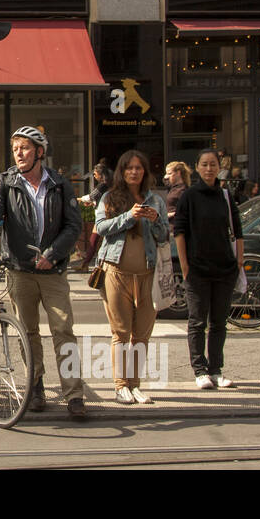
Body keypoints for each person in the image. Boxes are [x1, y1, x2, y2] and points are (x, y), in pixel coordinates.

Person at [0, 126, 87, 419]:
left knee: (63, 331)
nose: (19, 153)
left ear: (40, 152)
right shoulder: (6, 182)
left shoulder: (59, 183)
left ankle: (75, 394)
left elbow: (73, 225)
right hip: (19, 268)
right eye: (16, 148)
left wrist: (53, 253)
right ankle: (36, 386)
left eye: (26, 148)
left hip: (53, 270)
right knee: (27, 333)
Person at [94, 150, 169, 405]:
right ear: (121, 172)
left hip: (148, 273)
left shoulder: (155, 200)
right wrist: (129, 216)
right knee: (121, 332)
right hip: (116, 272)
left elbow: (164, 236)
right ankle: (120, 386)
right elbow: (101, 228)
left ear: (145, 173)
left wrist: (155, 220)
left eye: (139, 168)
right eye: (129, 168)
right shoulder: (109, 197)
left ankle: (135, 385)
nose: (134, 172)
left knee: (142, 334)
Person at [174, 148, 243, 391]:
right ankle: (199, 370)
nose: (209, 168)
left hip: (224, 268)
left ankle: (216, 369)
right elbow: (179, 232)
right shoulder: (189, 196)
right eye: (204, 164)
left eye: (213, 164)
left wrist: (239, 263)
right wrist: (185, 267)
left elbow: (237, 229)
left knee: (219, 323)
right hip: (197, 269)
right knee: (196, 321)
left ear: (218, 167)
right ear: (197, 167)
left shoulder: (225, 195)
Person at [164, 161, 191, 226]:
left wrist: (168, 215)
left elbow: (187, 211)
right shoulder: (174, 188)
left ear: (178, 173)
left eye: (169, 173)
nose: (166, 177)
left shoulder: (183, 190)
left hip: (177, 228)